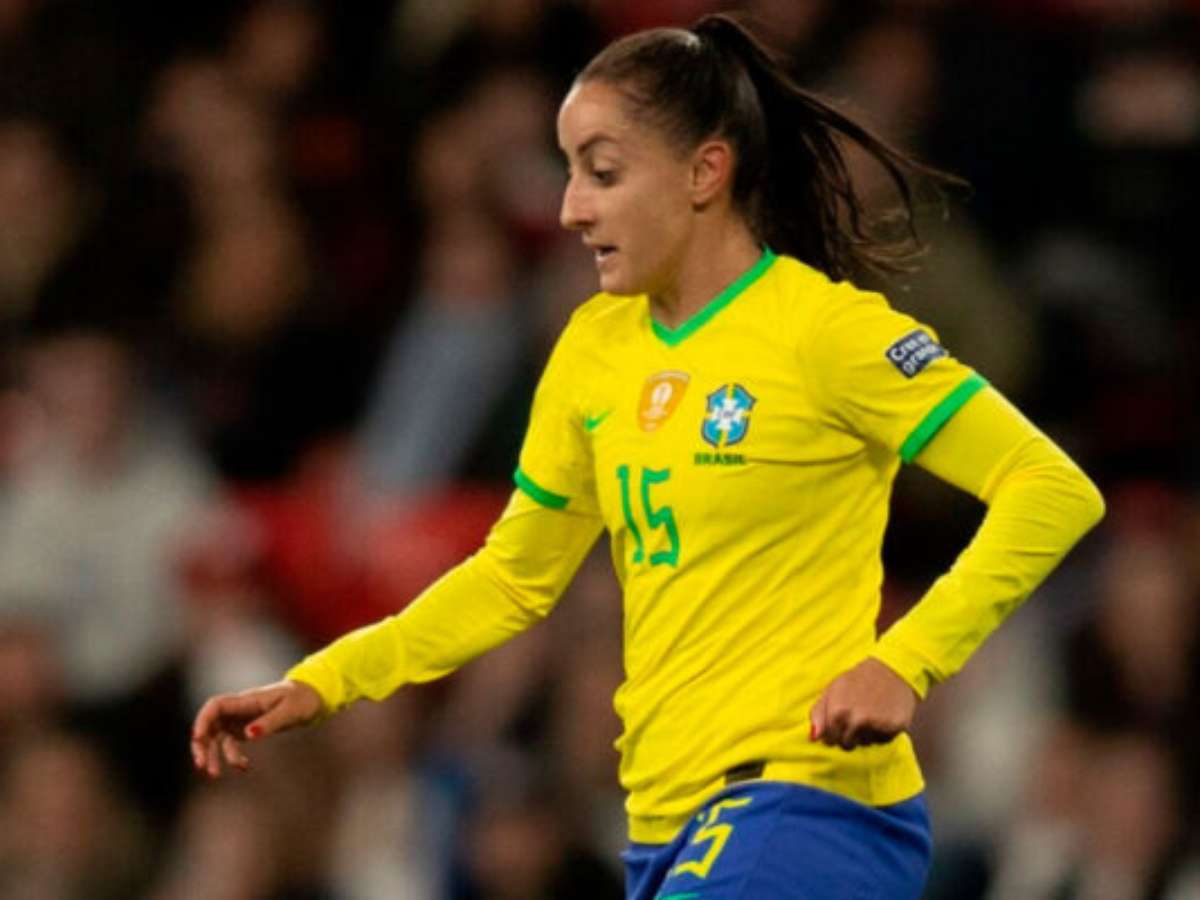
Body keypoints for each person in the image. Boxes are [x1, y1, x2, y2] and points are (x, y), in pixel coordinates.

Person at [191, 14, 1105, 899]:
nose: (570, 208)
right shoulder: (594, 348)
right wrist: (325, 681)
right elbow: (513, 579)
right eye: (568, 172)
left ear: (705, 171)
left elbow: (1050, 487)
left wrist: (906, 662)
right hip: (668, 825)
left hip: (811, 803)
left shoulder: (825, 332)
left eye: (602, 172)